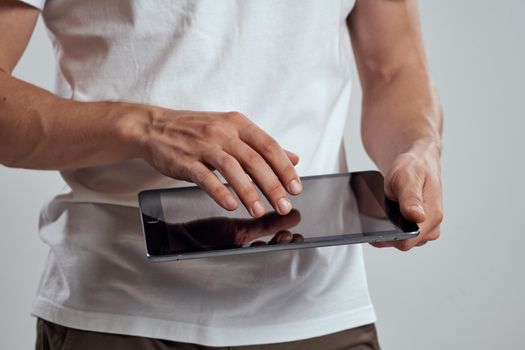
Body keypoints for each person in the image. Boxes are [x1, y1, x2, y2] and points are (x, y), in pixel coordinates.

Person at [0, 0, 443, 349]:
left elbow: (394, 70)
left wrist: (416, 150)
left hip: (320, 314)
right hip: (119, 315)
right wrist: (144, 127)